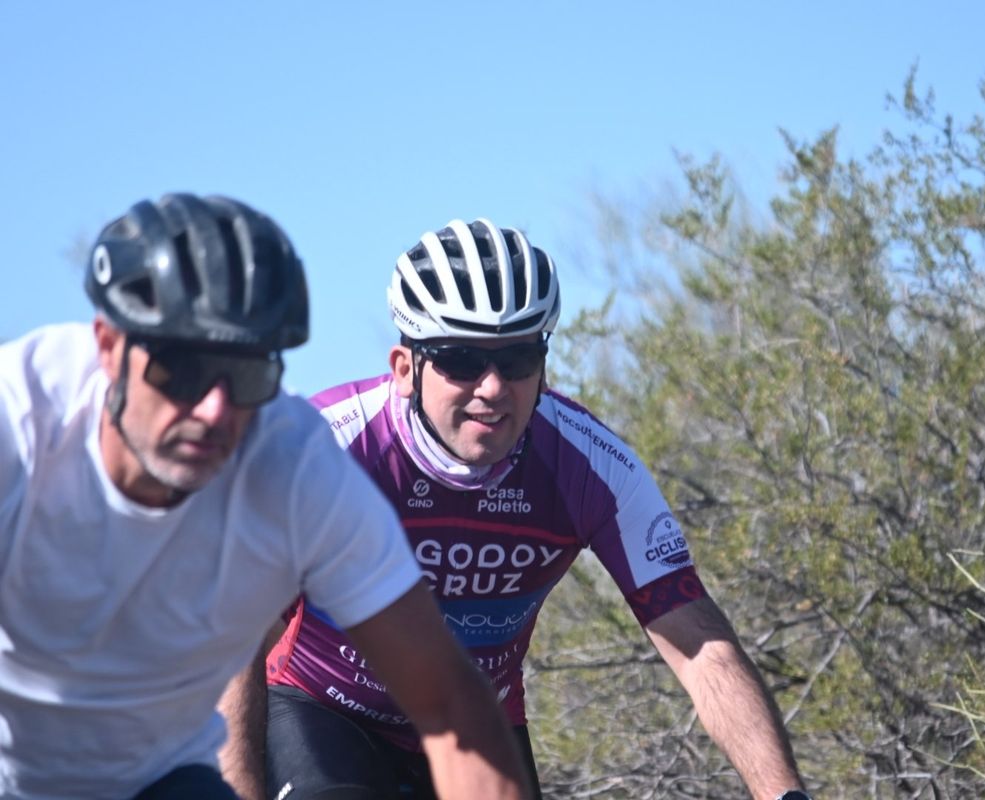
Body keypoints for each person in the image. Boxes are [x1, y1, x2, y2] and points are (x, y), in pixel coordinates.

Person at [222, 218, 813, 800]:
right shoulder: (320, 451)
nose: (492, 387)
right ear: (405, 369)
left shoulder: (594, 468)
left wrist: (786, 797)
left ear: (544, 365)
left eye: (517, 359)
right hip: (328, 711)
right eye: (459, 359)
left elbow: (701, 646)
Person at [0, 196, 531, 800]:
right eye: (182, 371)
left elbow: (448, 700)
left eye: (246, 377)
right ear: (107, 346)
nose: (215, 410)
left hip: (161, 775)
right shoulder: (19, 421)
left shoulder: (296, 465)